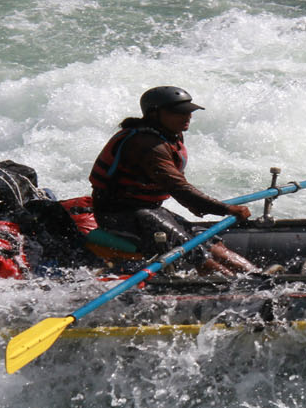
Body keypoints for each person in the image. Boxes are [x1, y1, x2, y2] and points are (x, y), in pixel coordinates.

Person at [89, 86, 257, 275]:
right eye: (178, 113)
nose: (187, 117)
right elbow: (178, 187)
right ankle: (232, 285)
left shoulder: (170, 134)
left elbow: (175, 177)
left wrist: (195, 204)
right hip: (119, 215)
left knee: (205, 240)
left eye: (189, 112)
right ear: (154, 114)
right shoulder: (146, 145)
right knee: (191, 249)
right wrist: (224, 209)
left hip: (148, 209)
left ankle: (259, 276)